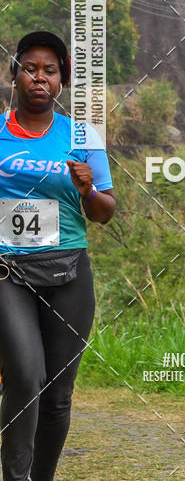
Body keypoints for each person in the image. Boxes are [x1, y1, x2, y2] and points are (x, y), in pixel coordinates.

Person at [0, 31, 115, 481]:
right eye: (30, 68)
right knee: (25, 378)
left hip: (68, 273)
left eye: (50, 71)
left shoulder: (83, 134)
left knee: (58, 394)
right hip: (8, 271)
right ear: (15, 76)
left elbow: (105, 212)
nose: (39, 78)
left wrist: (88, 189)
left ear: (61, 82)